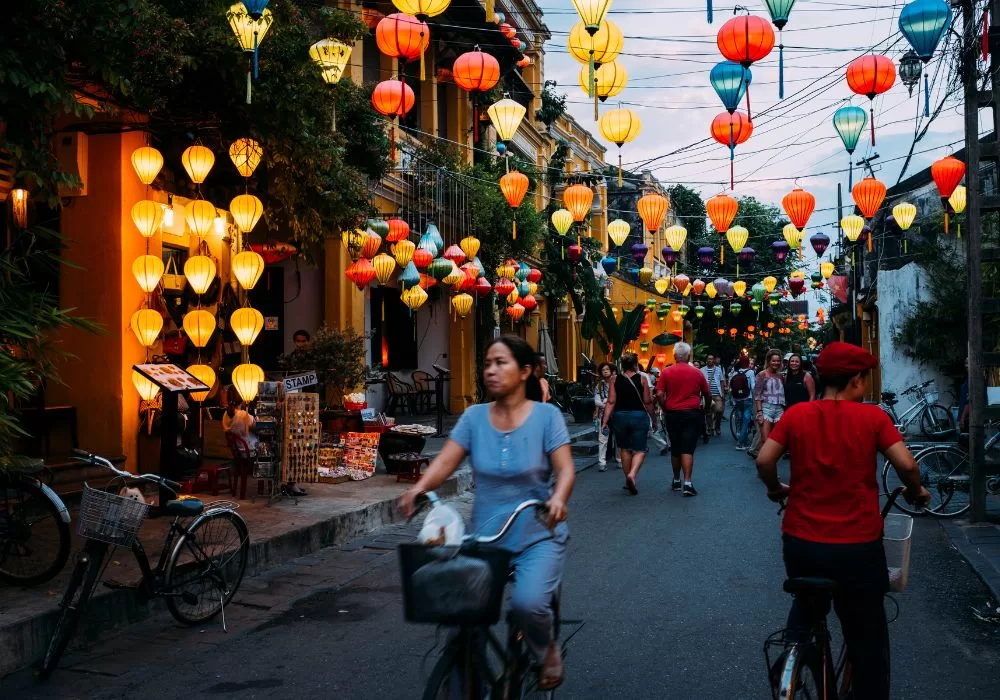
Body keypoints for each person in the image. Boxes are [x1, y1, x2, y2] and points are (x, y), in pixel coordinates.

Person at [755, 342, 931, 700]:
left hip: (802, 540)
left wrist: (776, 489)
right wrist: (916, 492)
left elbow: (764, 460)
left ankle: (792, 654)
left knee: (807, 602)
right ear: (855, 381)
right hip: (857, 545)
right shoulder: (873, 418)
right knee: (867, 636)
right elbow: (908, 466)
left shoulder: (797, 415)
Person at [399, 336, 575, 690]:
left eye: (501, 363)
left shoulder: (546, 416)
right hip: (483, 538)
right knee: (457, 613)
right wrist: (420, 488)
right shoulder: (474, 417)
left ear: (525, 371)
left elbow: (566, 469)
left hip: (536, 534)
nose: (490, 371)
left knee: (528, 604)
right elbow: (447, 459)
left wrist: (558, 498)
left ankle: (546, 651)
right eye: (487, 363)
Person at [656, 342, 712, 496]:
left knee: (675, 447)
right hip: (692, 413)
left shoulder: (666, 372)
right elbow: (707, 393)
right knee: (688, 448)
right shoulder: (697, 373)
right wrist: (706, 407)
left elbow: (659, 394)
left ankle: (676, 480)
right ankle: (687, 483)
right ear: (688, 356)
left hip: (673, 413)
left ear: (674, 356)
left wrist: (664, 407)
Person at [600, 353, 654, 495]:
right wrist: (654, 418)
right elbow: (648, 401)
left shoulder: (614, 379)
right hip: (638, 416)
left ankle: (627, 479)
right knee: (640, 449)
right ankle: (633, 474)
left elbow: (611, 402)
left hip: (620, 417)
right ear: (636, 364)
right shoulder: (642, 379)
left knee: (624, 448)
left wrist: (604, 421)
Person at [750, 349, 786, 459]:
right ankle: (765, 468)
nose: (776, 363)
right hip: (766, 409)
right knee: (766, 442)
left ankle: (772, 468)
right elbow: (757, 395)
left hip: (779, 410)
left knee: (777, 443)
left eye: (778, 361)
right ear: (769, 361)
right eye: (773, 361)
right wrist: (759, 412)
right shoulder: (762, 374)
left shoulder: (780, 376)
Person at [729, 355, 756, 450]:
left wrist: (733, 399)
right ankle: (740, 443)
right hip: (747, 399)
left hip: (737, 399)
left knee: (740, 420)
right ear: (748, 363)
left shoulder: (735, 372)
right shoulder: (751, 372)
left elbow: (731, 386)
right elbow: (753, 387)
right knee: (746, 420)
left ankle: (742, 439)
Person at [700, 352, 727, 436]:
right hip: (707, 395)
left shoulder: (718, 369)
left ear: (714, 360)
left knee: (719, 410)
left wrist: (722, 393)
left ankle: (717, 426)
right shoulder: (702, 370)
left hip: (717, 394)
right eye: (708, 359)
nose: (710, 360)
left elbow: (722, 381)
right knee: (708, 412)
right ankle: (710, 427)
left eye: (711, 359)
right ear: (706, 360)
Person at [594, 362, 614, 471]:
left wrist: (607, 402)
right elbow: (597, 401)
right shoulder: (599, 385)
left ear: (611, 371)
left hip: (615, 414)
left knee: (618, 437)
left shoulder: (616, 383)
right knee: (602, 439)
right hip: (603, 415)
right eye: (603, 370)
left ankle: (620, 459)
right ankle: (602, 462)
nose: (605, 371)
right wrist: (607, 403)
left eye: (607, 369)